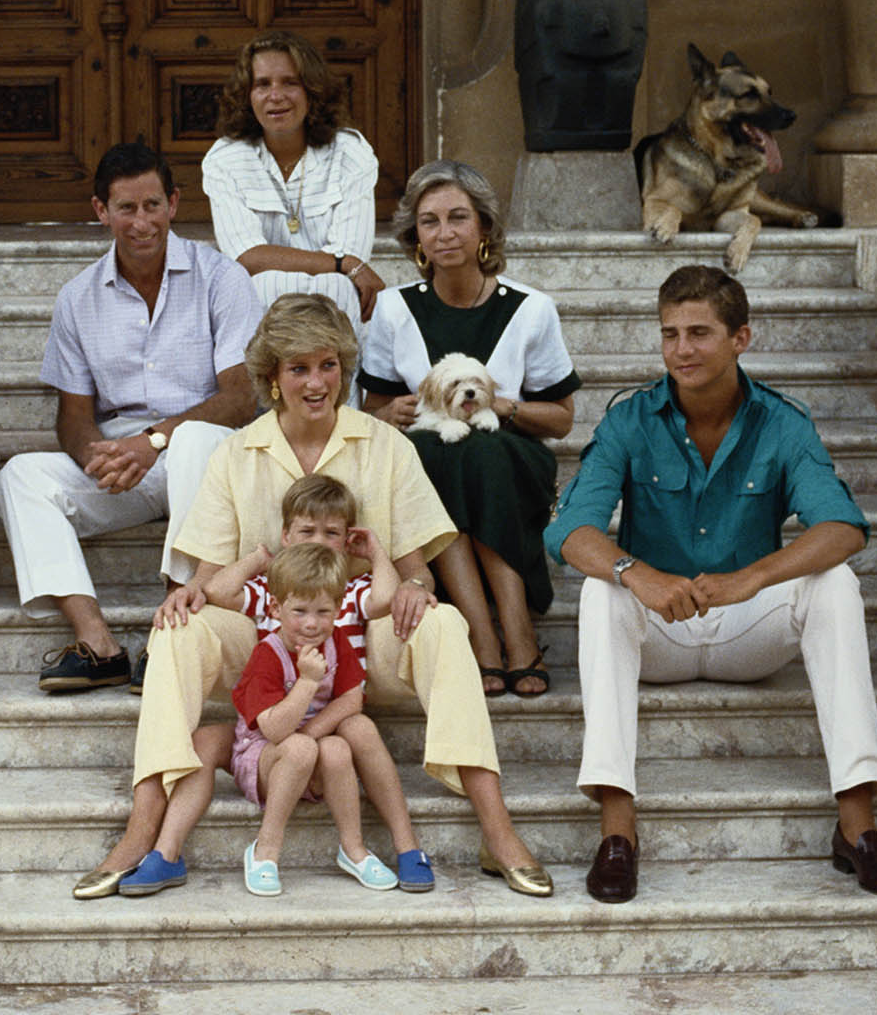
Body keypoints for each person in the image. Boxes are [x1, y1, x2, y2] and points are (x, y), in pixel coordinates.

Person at [73, 292, 550, 901]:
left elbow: (417, 569)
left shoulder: (385, 444)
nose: (316, 382)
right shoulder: (235, 451)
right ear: (273, 378)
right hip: (268, 644)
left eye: (328, 366)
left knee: (442, 623)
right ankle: (142, 828)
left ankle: (496, 826)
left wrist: (414, 588)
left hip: (360, 635)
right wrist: (186, 595)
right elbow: (213, 579)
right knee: (176, 630)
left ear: (345, 371)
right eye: (298, 368)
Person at [546, 264, 877, 904]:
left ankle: (857, 825)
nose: (682, 349)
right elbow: (570, 528)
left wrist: (754, 578)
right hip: (659, 629)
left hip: (748, 634)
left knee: (836, 583)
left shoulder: (781, 423)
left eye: (700, 333)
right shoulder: (631, 420)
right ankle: (617, 831)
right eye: (670, 334)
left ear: (741, 337)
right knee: (602, 590)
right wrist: (638, 573)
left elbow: (844, 525)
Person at [0, 142, 263, 693]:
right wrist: (100, 457)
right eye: (126, 208)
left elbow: (240, 398)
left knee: (194, 442)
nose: (142, 222)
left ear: (174, 203)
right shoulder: (78, 297)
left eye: (152, 205)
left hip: (206, 461)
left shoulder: (222, 278)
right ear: (101, 211)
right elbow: (72, 418)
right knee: (17, 476)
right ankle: (98, 644)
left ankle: (174, 625)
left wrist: (154, 440)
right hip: (128, 462)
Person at [118, 474, 430, 898]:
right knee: (241, 744)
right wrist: (257, 560)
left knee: (353, 733)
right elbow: (217, 591)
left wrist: (377, 555)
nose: (311, 622)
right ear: (279, 606)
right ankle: (231, 850)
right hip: (275, 739)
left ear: (336, 608)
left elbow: (379, 617)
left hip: (318, 735)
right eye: (307, 531)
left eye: (332, 532)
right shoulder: (271, 609)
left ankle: (397, 846)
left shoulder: (343, 601)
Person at [361, 160, 580, 697]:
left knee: (479, 453)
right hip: (432, 461)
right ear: (416, 236)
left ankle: (514, 625)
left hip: (512, 460)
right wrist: (388, 416)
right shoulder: (393, 309)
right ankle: (487, 633)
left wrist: (504, 409)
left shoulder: (532, 309)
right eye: (430, 221)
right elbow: (374, 409)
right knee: (441, 452)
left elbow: (562, 418)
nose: (445, 233)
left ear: (483, 227)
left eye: (459, 217)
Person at [199, 31, 385, 331]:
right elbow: (246, 258)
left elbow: (354, 252)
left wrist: (342, 267)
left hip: (333, 303)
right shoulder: (225, 159)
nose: (276, 96)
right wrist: (341, 264)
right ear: (247, 95)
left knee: (335, 289)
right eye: (262, 84)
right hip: (262, 312)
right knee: (259, 287)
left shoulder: (350, 153)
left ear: (312, 90)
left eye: (290, 82)